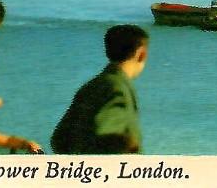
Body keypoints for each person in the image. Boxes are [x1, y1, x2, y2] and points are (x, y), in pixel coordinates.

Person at [50, 25, 148, 155]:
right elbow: (109, 136)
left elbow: (59, 139)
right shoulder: (117, 89)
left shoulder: (91, 86)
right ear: (141, 54)